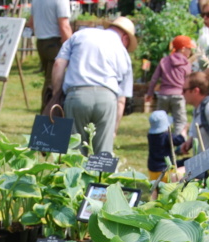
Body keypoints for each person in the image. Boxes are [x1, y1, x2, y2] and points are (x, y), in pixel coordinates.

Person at [48, 17, 136, 154]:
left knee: (75, 152)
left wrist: (56, 94)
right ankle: (102, 174)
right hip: (107, 99)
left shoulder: (80, 35)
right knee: (103, 156)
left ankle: (75, 174)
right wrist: (114, 130)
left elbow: (58, 64)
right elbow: (121, 101)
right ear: (125, 38)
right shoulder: (123, 53)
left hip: (77, 96)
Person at [28, 0, 71, 112]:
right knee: (53, 81)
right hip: (54, 42)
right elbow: (64, 26)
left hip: (41, 42)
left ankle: (47, 109)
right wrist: (72, 46)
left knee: (49, 78)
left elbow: (31, 23)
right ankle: (48, 111)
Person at [146, 35, 193, 136]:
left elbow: (154, 78)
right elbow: (188, 81)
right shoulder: (186, 64)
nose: (190, 52)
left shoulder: (164, 61)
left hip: (163, 95)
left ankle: (160, 140)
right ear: (183, 49)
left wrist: (150, 93)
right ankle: (179, 143)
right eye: (189, 49)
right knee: (180, 121)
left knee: (160, 120)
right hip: (179, 96)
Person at [147, 109, 186, 181]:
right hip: (166, 171)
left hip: (153, 170)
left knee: (157, 188)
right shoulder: (166, 136)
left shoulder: (150, 135)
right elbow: (179, 140)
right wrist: (183, 133)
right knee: (186, 161)